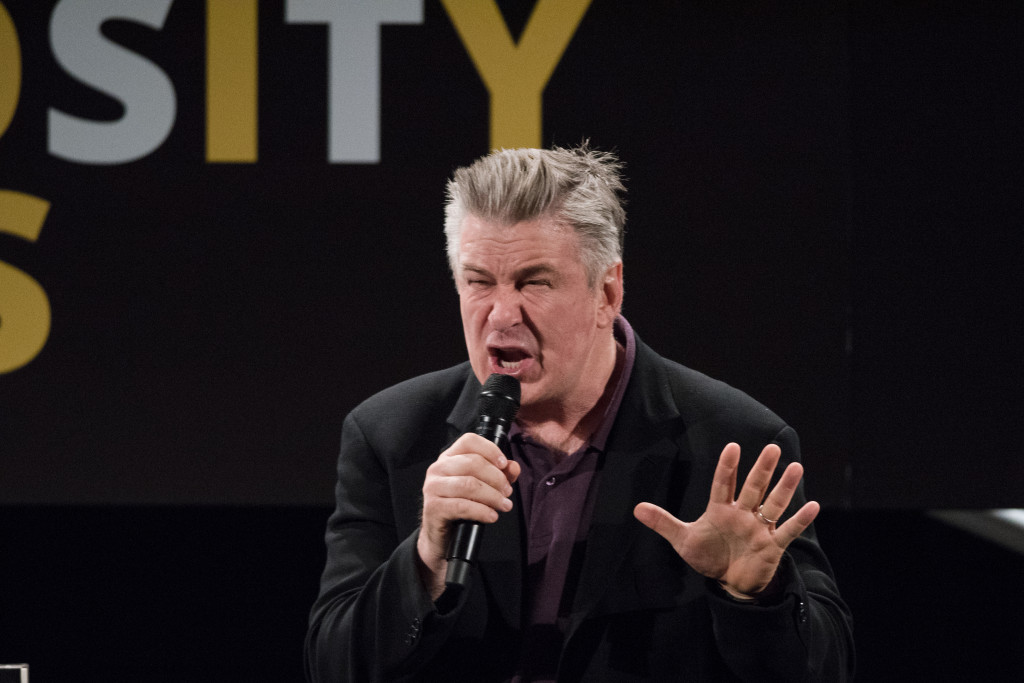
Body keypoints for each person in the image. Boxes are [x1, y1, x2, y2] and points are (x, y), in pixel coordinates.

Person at [305, 145, 854, 682]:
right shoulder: (390, 435)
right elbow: (332, 664)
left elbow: (827, 668)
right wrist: (425, 560)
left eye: (534, 282)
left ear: (607, 292)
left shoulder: (735, 442)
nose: (500, 314)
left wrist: (755, 595)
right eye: (478, 282)